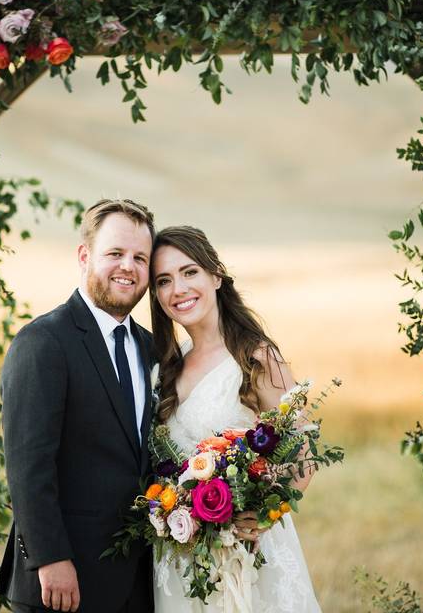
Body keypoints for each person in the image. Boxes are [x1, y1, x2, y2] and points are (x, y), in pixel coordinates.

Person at [149, 225, 321, 612]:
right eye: (163, 280)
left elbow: (304, 449)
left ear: (216, 275)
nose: (178, 289)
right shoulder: (166, 368)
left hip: (248, 553)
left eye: (189, 272)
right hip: (181, 555)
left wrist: (265, 513)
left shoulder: (255, 357)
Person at [0, 199, 156, 613]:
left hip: (136, 581)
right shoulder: (43, 343)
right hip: (62, 584)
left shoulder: (150, 349)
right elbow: (27, 465)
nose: (129, 267)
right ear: (84, 256)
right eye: (115, 253)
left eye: (140, 257)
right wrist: (50, 558)